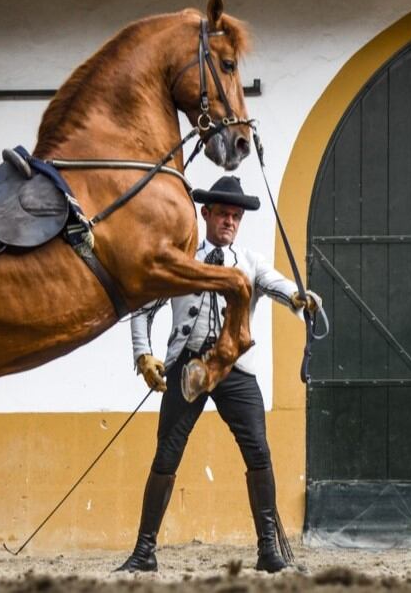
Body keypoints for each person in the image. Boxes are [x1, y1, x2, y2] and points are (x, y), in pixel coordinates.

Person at [116, 176, 320, 574]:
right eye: (223, 213)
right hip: (187, 367)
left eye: (236, 216)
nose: (229, 221)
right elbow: (141, 307)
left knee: (259, 452)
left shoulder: (249, 263)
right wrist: (144, 355)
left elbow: (279, 287)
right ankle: (144, 552)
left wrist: (300, 297)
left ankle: (268, 550)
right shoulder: (182, 259)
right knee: (166, 454)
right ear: (205, 214)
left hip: (235, 368)